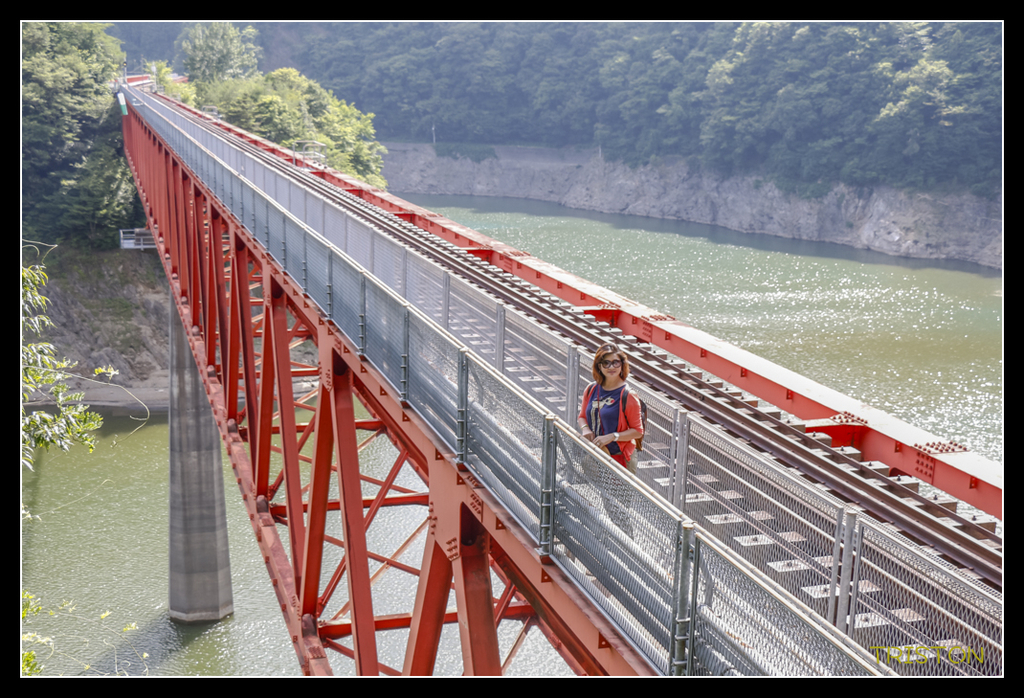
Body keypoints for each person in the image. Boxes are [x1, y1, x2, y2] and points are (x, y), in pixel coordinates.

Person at [578, 343, 644, 473]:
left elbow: (637, 431)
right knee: (600, 492)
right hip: (596, 454)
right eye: (606, 363)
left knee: (620, 494)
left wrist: (612, 436)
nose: (611, 367)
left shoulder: (628, 395)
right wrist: (585, 429)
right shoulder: (591, 389)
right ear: (599, 366)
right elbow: (582, 417)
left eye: (615, 363)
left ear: (622, 365)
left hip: (620, 458)